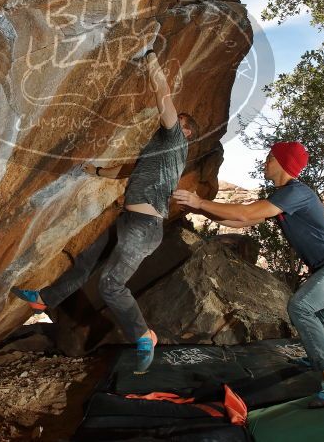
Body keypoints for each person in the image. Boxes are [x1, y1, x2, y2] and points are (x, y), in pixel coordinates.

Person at [12, 50, 199, 374]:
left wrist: (151, 57)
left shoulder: (175, 141)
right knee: (86, 262)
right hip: (129, 220)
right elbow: (126, 170)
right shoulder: (158, 150)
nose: (171, 120)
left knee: (111, 284)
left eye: (178, 122)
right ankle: (44, 299)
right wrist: (94, 171)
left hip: (144, 226)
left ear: (186, 134)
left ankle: (144, 335)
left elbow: (162, 94)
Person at [173, 142, 324, 408]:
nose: (264, 163)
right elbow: (243, 221)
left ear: (281, 162)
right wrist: (199, 210)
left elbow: (246, 211)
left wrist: (200, 200)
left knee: (301, 307)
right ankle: (316, 357)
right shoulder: (285, 195)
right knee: (315, 314)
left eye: (269, 158)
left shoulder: (297, 192)